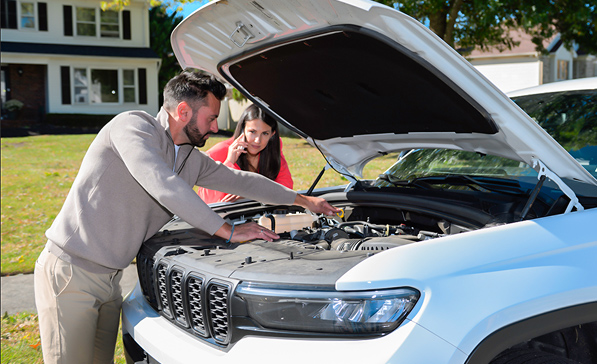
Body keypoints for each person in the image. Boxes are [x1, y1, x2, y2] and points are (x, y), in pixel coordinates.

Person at [33, 71, 339, 364]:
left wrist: (304, 200)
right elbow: (163, 185)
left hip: (111, 279)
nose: (216, 127)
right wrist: (228, 230)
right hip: (71, 274)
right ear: (183, 111)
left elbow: (243, 181)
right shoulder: (132, 128)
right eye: (211, 117)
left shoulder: (189, 157)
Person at [197, 104, 293, 203]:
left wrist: (251, 193)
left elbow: (287, 188)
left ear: (272, 134)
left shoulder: (272, 149)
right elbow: (206, 200)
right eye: (252, 132)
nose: (257, 140)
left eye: (265, 133)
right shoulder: (217, 152)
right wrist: (229, 163)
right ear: (243, 129)